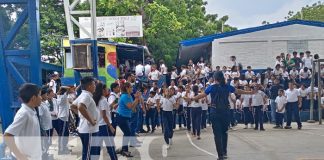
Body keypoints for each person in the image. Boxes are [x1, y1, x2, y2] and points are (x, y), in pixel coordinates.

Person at [191, 71, 254, 160]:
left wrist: (193, 98)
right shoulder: (227, 86)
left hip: (214, 112)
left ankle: (220, 155)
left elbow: (202, 95)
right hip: (225, 112)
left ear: (215, 78)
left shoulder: (211, 87)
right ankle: (224, 152)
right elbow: (238, 91)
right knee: (224, 132)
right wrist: (250, 92)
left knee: (217, 135)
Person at [4, 83, 42, 160]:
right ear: (33, 98)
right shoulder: (24, 114)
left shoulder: (32, 111)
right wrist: (20, 156)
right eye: (40, 95)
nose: (41, 98)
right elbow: (7, 135)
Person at [71, 77, 100, 160]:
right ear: (89, 86)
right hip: (89, 129)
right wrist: (91, 120)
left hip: (87, 129)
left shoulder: (83, 95)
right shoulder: (86, 96)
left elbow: (73, 106)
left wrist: (82, 115)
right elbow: (80, 107)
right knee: (88, 154)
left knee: (88, 152)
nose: (95, 86)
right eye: (94, 84)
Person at [93, 82, 118, 160]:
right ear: (103, 90)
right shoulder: (103, 100)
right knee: (111, 146)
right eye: (106, 88)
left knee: (97, 148)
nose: (108, 90)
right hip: (104, 126)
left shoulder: (97, 99)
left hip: (98, 126)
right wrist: (110, 126)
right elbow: (104, 115)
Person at [116, 82, 141, 157]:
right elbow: (130, 106)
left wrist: (137, 100)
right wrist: (136, 99)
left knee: (127, 133)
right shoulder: (125, 96)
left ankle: (123, 149)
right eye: (131, 87)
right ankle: (124, 150)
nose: (132, 88)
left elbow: (132, 109)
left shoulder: (129, 96)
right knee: (128, 133)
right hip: (121, 117)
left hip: (125, 117)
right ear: (127, 88)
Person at [38, 87, 52, 158]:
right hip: (45, 127)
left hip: (48, 126)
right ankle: (44, 155)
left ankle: (46, 153)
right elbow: (39, 117)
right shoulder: (40, 105)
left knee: (48, 142)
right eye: (46, 94)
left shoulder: (44, 103)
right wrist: (42, 130)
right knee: (45, 142)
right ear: (42, 95)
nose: (47, 96)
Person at [56, 86, 71, 154]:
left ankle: (63, 148)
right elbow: (68, 89)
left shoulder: (59, 96)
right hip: (63, 117)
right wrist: (63, 87)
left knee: (64, 134)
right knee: (63, 134)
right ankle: (62, 149)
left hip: (62, 117)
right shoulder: (63, 97)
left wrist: (61, 88)